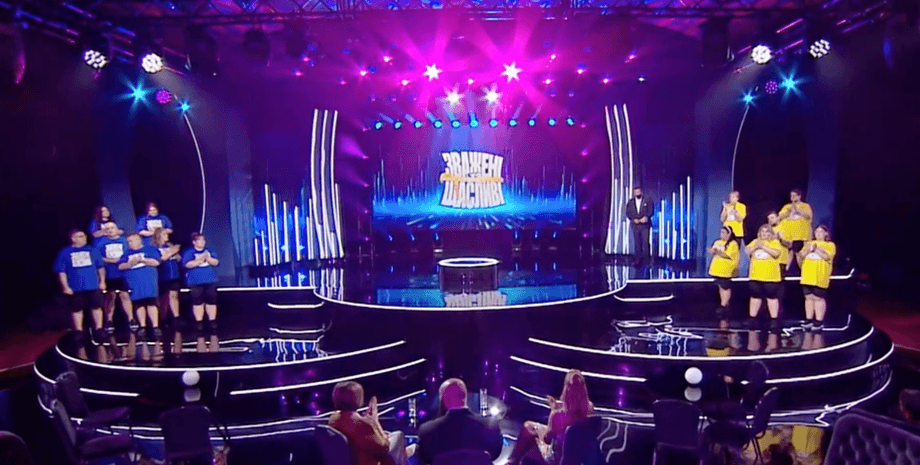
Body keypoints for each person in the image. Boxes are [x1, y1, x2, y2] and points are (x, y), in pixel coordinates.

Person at [508, 370, 595, 465]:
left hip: (558, 459)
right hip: (578, 457)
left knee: (528, 427)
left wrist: (553, 410)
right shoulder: (589, 408)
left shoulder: (558, 415)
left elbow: (547, 439)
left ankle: (513, 461)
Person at [417, 378, 503, 465]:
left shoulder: (427, 430)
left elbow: (425, 458)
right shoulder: (490, 426)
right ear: (464, 396)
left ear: (443, 399)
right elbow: (496, 454)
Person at [328, 381, 410, 465]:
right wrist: (374, 421)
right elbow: (385, 447)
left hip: (350, 459)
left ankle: (407, 453)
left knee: (393, 436)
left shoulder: (333, 419)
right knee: (399, 435)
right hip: (365, 460)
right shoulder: (360, 423)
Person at [54, 230, 106, 335]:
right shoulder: (65, 252)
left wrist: (102, 282)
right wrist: (65, 287)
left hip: (93, 285)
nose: (84, 238)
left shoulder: (92, 250)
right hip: (75, 287)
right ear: (73, 239)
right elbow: (61, 271)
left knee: (96, 307)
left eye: (84, 236)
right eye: (80, 236)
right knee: (77, 309)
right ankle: (78, 331)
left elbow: (100, 267)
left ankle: (99, 329)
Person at [118, 233, 162, 339]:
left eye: (131, 241)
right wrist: (130, 263)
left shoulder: (150, 250)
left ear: (138, 240)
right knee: (139, 304)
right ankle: (142, 326)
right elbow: (120, 266)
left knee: (151, 303)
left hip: (148, 282)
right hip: (135, 283)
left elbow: (156, 262)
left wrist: (142, 260)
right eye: (128, 241)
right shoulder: (127, 253)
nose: (129, 243)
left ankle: (155, 326)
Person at [94, 222, 134, 333]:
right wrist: (110, 260)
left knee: (125, 295)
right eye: (107, 229)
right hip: (109, 273)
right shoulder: (100, 243)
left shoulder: (124, 241)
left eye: (112, 228)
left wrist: (122, 261)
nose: (110, 230)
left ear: (117, 229)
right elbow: (98, 258)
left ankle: (131, 319)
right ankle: (109, 320)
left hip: (124, 273)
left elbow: (129, 254)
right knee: (110, 296)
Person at [799, 225, 836, 331]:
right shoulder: (809, 243)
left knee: (818, 298)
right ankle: (809, 320)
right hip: (807, 276)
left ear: (826, 234)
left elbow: (827, 257)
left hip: (820, 276)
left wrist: (817, 249)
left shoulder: (830, 245)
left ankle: (818, 321)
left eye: (821, 232)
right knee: (808, 298)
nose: (818, 234)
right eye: (816, 232)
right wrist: (809, 249)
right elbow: (802, 255)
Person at [746, 225, 783, 330]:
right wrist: (756, 246)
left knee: (772, 298)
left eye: (767, 232)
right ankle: (752, 319)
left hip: (770, 277)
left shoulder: (775, 242)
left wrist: (763, 247)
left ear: (771, 233)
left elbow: (776, 253)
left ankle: (774, 320)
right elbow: (747, 251)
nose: (764, 234)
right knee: (755, 297)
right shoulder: (755, 241)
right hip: (756, 276)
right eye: (762, 231)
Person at [182, 233, 219, 332]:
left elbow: (216, 262)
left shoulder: (209, 251)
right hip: (195, 281)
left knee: (211, 301)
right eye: (199, 240)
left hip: (210, 280)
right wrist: (199, 260)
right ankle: (199, 322)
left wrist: (208, 259)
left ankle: (212, 321)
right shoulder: (189, 252)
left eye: (203, 240)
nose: (202, 242)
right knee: (198, 302)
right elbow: (187, 264)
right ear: (194, 242)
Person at [152, 228, 182, 325]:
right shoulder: (154, 247)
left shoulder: (170, 245)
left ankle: (176, 318)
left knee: (174, 295)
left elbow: (178, 258)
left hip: (174, 274)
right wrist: (171, 252)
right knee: (163, 297)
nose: (167, 236)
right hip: (162, 275)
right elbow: (161, 258)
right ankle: (162, 318)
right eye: (164, 234)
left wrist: (174, 252)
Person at [777, 189, 813, 265]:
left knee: (799, 254)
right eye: (791, 196)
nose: (792, 197)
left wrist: (797, 210)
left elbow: (809, 216)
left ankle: (801, 269)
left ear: (799, 196)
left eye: (794, 195)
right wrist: (789, 211)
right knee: (789, 254)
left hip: (801, 235)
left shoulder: (805, 206)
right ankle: (787, 269)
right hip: (788, 236)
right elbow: (780, 216)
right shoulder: (787, 206)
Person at [708, 226, 740, 311]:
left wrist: (718, 252)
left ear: (728, 234)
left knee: (725, 287)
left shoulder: (733, 243)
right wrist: (712, 251)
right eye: (720, 232)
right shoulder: (717, 242)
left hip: (726, 269)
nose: (721, 234)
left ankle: (724, 305)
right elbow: (714, 251)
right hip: (717, 268)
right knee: (721, 286)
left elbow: (728, 255)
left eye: (723, 232)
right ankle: (723, 303)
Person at [624, 186, 654, 261]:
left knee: (645, 243)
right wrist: (633, 219)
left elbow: (651, 210)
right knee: (637, 243)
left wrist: (646, 217)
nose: (637, 193)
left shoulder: (647, 200)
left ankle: (647, 260)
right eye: (636, 192)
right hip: (635, 225)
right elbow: (628, 213)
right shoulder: (630, 202)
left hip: (645, 225)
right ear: (633, 193)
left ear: (641, 192)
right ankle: (638, 260)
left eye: (638, 192)